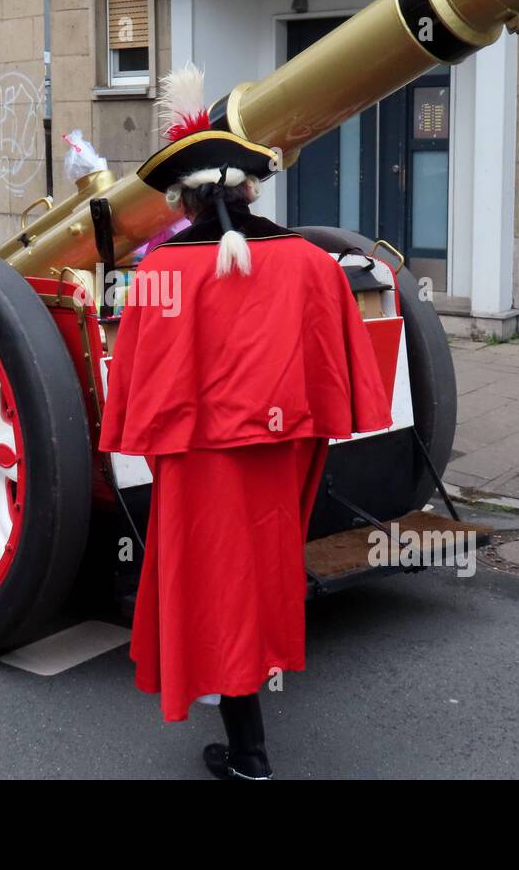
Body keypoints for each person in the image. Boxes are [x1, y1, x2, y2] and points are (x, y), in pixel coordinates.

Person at [98, 64, 393, 780]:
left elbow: (140, 387)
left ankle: (251, 750)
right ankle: (244, 713)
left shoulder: (163, 269)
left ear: (184, 199)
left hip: (200, 460)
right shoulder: (309, 261)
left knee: (212, 583)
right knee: (258, 576)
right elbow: (335, 371)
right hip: (280, 452)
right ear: (248, 188)